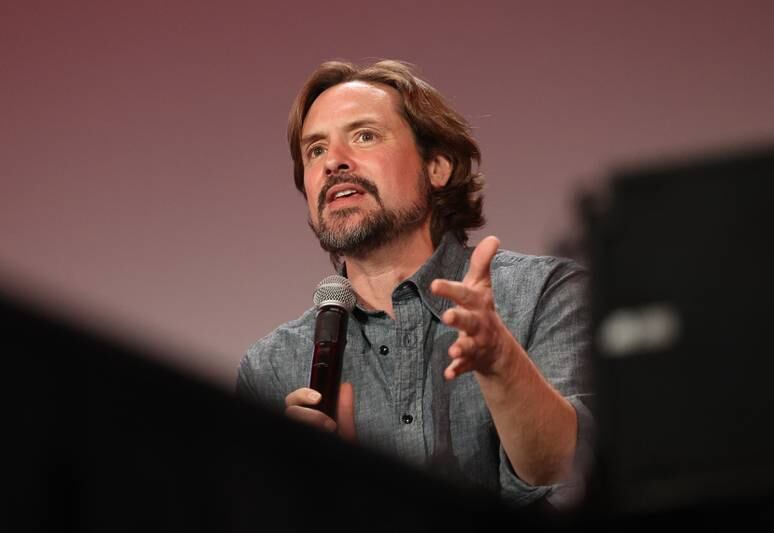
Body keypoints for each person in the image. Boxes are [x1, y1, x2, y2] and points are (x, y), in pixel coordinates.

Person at [236, 60, 593, 508]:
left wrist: (502, 363)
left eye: (364, 135)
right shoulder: (271, 368)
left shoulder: (543, 294)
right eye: (315, 151)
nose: (334, 163)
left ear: (437, 166)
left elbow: (571, 470)